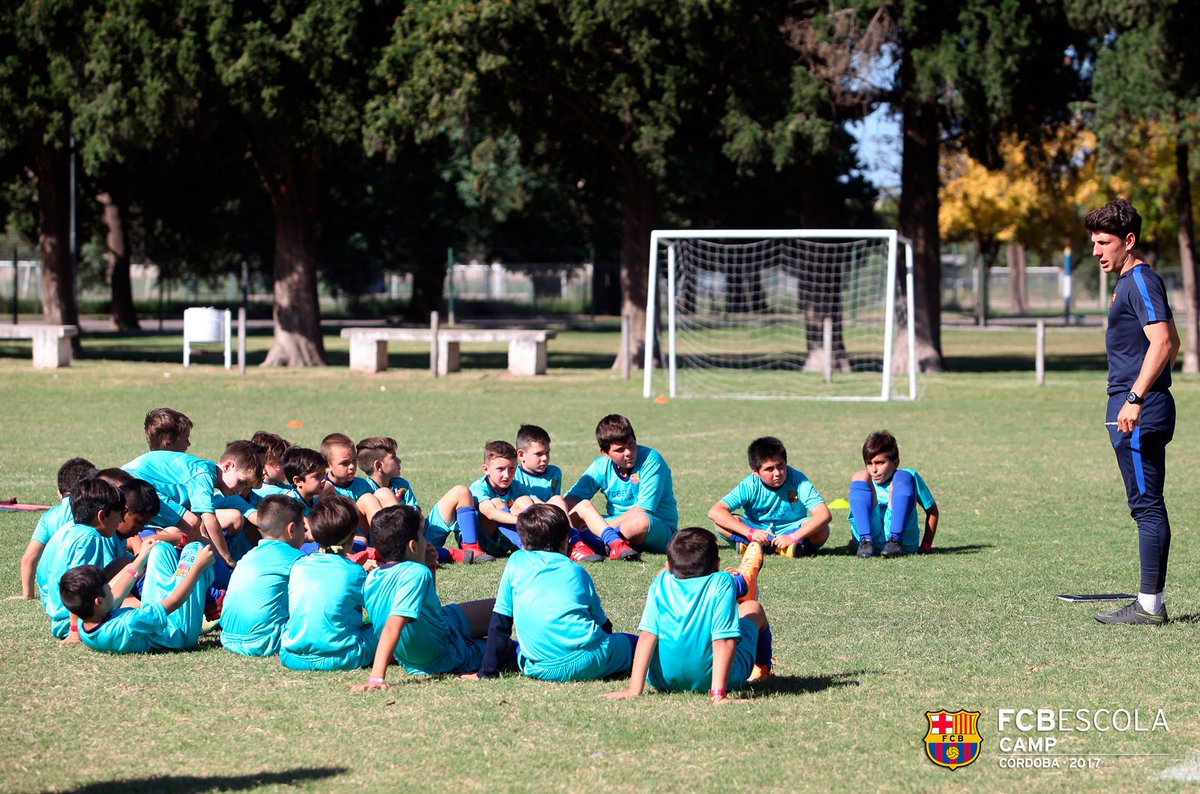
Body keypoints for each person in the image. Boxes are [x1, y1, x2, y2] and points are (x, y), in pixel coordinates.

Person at [1086, 199, 1180, 625]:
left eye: (1104, 242)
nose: (1096, 251)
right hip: (1132, 408)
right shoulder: (1127, 282)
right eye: (1092, 242)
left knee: (1147, 505)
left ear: (1129, 241)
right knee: (1143, 504)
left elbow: (1164, 342)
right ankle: (1148, 600)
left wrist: (1136, 397)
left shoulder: (1140, 280)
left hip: (1137, 411)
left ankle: (1148, 606)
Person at [468, 504, 636, 682]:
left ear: (523, 542)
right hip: (592, 660)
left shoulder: (515, 562)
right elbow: (604, 626)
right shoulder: (577, 572)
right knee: (637, 644)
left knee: (514, 648)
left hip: (539, 668)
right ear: (566, 540)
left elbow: (500, 622)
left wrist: (486, 672)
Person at [604, 528, 772, 703]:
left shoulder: (660, 582)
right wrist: (718, 694)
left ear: (668, 565)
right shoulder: (722, 582)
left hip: (662, 679)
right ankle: (762, 669)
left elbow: (647, 635)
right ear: (717, 563)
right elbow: (724, 639)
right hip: (717, 679)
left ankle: (744, 583)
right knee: (753, 608)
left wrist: (633, 689)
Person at [354, 505, 494, 689]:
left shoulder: (373, 576)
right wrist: (376, 678)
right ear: (412, 546)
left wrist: (430, 566)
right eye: (422, 535)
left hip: (425, 644)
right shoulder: (415, 573)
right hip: (443, 655)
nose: (426, 541)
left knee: (497, 608)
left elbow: (427, 608)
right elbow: (392, 625)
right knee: (502, 639)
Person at [124, 434, 263, 569]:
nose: (240, 490)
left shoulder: (204, 470)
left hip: (140, 484)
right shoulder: (205, 473)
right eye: (241, 482)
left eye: (245, 487)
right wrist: (226, 558)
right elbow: (209, 519)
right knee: (192, 523)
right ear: (227, 466)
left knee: (192, 527)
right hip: (135, 484)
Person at [63, 539, 216, 654]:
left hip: (157, 618)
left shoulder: (87, 625)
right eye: (108, 588)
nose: (112, 589)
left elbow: (117, 593)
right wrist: (198, 567)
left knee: (159, 548)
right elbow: (174, 602)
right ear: (99, 601)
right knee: (194, 550)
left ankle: (187, 579)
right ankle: (206, 587)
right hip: (177, 631)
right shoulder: (128, 624)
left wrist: (142, 557)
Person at [279, 495, 374, 671]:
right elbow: (376, 611)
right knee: (387, 627)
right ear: (352, 538)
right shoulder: (354, 571)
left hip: (292, 656)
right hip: (344, 656)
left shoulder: (298, 566)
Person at [565, 414, 678, 560]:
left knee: (640, 521)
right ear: (605, 453)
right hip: (615, 523)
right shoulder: (600, 466)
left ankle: (591, 541)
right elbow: (571, 498)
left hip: (655, 526)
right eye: (620, 450)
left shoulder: (651, 460)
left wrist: (602, 529)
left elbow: (643, 509)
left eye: (631, 444)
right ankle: (608, 543)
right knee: (581, 508)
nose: (628, 453)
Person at [708, 436, 831, 557]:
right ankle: (784, 549)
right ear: (755, 472)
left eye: (781, 466)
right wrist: (750, 532)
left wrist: (792, 537)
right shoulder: (749, 485)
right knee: (721, 523)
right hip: (757, 531)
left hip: (792, 531)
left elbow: (824, 514)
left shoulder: (798, 480)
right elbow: (715, 511)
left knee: (822, 529)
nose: (777, 473)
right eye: (769, 469)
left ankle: (755, 547)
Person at [41, 478, 130, 639]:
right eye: (119, 515)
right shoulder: (90, 538)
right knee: (133, 616)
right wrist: (75, 630)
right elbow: (78, 586)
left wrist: (122, 563)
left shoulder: (73, 531)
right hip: (69, 622)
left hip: (61, 618)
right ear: (102, 516)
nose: (121, 520)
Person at [220, 495, 307, 656]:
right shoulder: (296, 558)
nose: (306, 533)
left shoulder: (248, 556)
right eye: (304, 527)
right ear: (292, 529)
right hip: (265, 640)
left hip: (228, 638)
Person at [847, 431, 937, 558]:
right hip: (870, 543)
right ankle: (865, 541)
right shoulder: (866, 483)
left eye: (879, 463)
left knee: (903, 475)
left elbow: (932, 511)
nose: (874, 470)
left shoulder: (907, 479)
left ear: (895, 463)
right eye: (869, 463)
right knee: (859, 475)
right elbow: (858, 512)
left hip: (903, 544)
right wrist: (852, 541)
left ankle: (895, 540)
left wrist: (926, 545)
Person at [17, 457, 96, 600]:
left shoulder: (49, 516)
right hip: (81, 586)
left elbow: (29, 558)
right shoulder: (93, 512)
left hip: (50, 592)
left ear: (59, 492)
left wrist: (27, 595)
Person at [468, 440, 538, 557]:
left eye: (512, 468)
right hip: (486, 543)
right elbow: (490, 513)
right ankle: (525, 546)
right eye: (500, 469)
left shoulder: (516, 485)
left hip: (507, 544)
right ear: (486, 469)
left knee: (525, 500)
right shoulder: (478, 487)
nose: (507, 475)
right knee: (496, 502)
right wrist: (524, 521)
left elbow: (536, 504)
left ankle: (535, 543)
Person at [321, 433, 387, 545]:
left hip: (365, 533)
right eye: (345, 463)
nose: (352, 466)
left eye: (354, 460)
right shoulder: (323, 487)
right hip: (342, 536)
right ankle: (386, 541)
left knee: (383, 493)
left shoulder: (362, 484)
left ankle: (389, 538)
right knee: (367, 499)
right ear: (327, 466)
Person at [356, 436, 419, 509]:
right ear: (379, 465)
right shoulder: (364, 490)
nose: (399, 461)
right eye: (393, 457)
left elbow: (415, 511)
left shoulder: (402, 484)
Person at [249, 431, 293, 502]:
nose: (286, 465)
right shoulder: (261, 489)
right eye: (280, 462)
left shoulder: (277, 484)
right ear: (262, 465)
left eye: (286, 461)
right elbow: (298, 495)